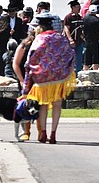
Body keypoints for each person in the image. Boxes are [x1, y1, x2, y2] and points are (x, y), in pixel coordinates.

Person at [23, 13, 77, 144]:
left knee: (43, 105)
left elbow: (32, 57)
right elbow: (70, 53)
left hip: (42, 77)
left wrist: (30, 73)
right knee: (57, 104)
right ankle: (53, 133)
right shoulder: (60, 38)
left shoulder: (40, 39)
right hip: (59, 77)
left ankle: (43, 132)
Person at [82, 5, 99, 70]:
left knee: (86, 59)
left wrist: (83, 38)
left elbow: (81, 31)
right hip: (96, 41)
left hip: (87, 41)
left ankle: (85, 72)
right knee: (95, 58)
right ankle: (95, 72)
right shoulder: (98, 20)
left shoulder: (84, 19)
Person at [63, 0, 85, 72]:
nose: (79, 9)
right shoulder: (68, 17)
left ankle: (78, 73)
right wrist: (70, 39)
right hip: (71, 42)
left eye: (79, 7)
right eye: (77, 7)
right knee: (70, 58)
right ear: (72, 8)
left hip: (79, 41)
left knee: (79, 58)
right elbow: (66, 29)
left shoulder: (80, 17)